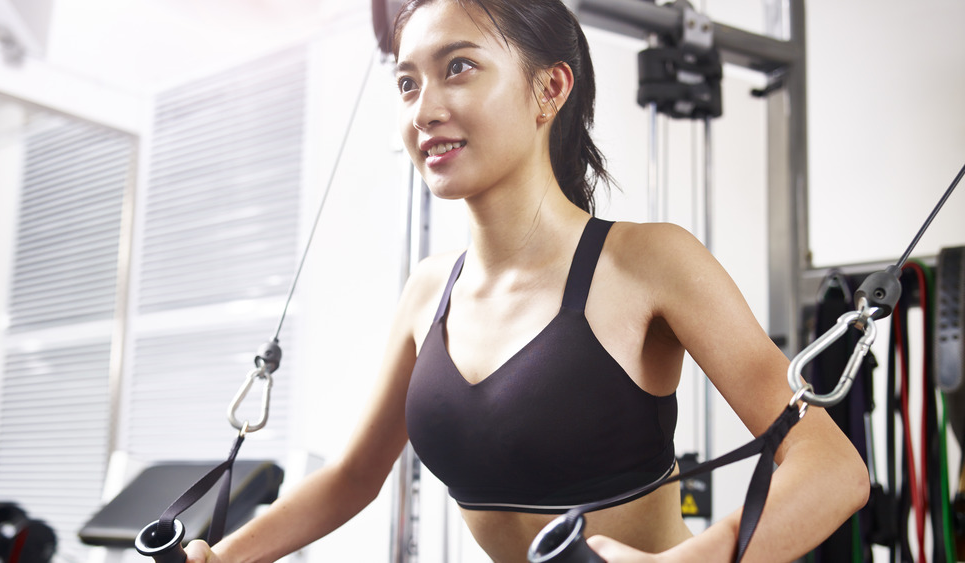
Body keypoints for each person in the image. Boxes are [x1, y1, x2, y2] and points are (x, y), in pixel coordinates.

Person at [185, 0, 869, 561]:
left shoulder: (650, 262)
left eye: (458, 67)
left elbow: (832, 466)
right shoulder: (430, 291)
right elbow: (353, 477)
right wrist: (226, 555)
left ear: (550, 88)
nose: (423, 110)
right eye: (407, 82)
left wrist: (704, 557)